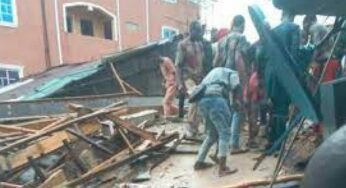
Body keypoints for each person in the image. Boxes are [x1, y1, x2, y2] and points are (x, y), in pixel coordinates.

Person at [193, 67, 241, 177]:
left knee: (211, 135)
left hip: (202, 101)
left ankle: (199, 162)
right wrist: (237, 102)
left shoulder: (215, 71)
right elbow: (236, 87)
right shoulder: (233, 72)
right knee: (225, 133)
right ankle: (222, 168)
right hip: (216, 99)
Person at [213, 15, 250, 153]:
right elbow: (239, 59)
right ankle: (234, 144)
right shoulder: (241, 38)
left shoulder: (221, 41)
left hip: (222, 78)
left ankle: (222, 143)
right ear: (242, 24)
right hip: (235, 78)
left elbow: (215, 62)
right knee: (238, 110)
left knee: (227, 110)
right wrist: (244, 83)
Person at [266, 10, 300, 150]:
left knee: (273, 108)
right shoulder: (294, 28)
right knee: (282, 109)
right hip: (284, 73)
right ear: (293, 16)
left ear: (282, 16)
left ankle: (272, 140)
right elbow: (294, 52)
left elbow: (264, 53)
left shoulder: (273, 31)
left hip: (270, 73)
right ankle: (278, 144)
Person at [175, 21, 208, 137]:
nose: (201, 33)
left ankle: (195, 128)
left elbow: (201, 63)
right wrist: (179, 84)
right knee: (195, 96)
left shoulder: (200, 44)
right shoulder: (183, 45)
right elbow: (178, 65)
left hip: (199, 78)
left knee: (201, 102)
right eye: (198, 31)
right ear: (192, 31)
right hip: (187, 77)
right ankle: (189, 126)